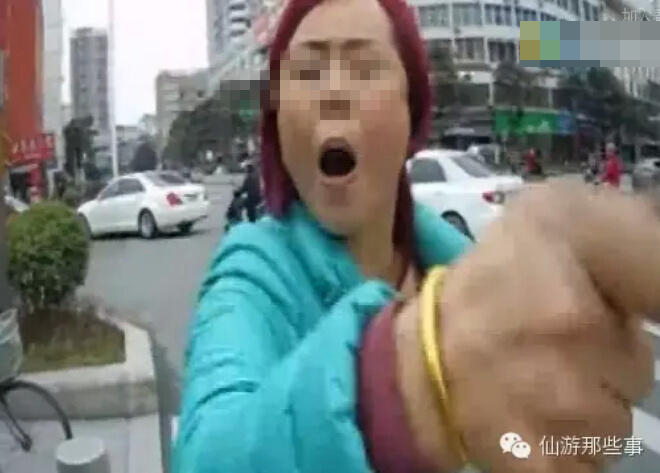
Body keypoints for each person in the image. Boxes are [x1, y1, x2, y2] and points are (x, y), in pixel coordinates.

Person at [174, 0, 660, 472]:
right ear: (276, 121)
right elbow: (208, 454)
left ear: (413, 115)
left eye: (365, 69)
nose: (333, 93)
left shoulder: (462, 267)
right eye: (306, 73)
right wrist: (416, 383)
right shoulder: (251, 277)